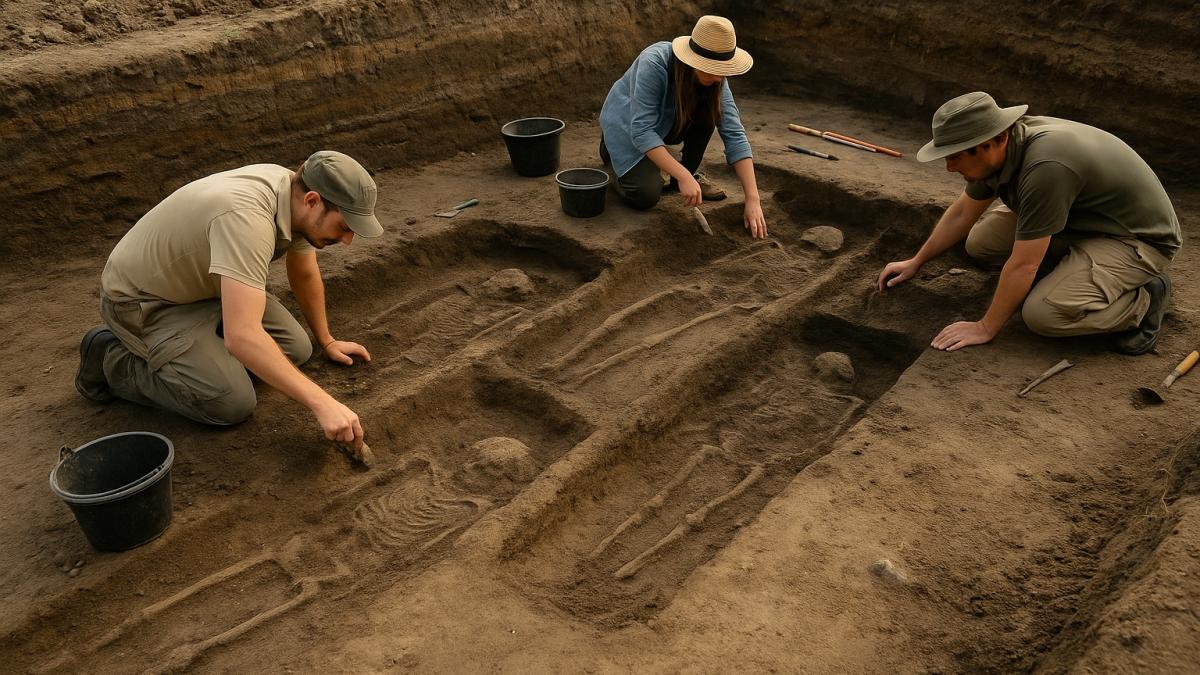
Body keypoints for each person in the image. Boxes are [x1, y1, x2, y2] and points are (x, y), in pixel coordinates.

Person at [75, 150, 383, 451]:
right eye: (344, 227)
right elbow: (242, 336)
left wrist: (327, 340)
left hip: (206, 286)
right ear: (312, 201)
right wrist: (324, 404)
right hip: (146, 301)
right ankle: (110, 360)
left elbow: (303, 272)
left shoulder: (294, 194)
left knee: (297, 349)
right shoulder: (247, 219)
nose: (347, 240)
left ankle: (204, 357)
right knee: (230, 403)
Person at [877, 92, 1180, 354]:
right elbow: (962, 214)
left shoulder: (1046, 167)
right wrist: (916, 261)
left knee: (1042, 315)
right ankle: (1072, 273)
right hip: (1081, 220)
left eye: (954, 157)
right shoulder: (998, 150)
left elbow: (1024, 265)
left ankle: (1143, 301)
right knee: (981, 244)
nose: (948, 167)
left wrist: (985, 327)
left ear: (994, 141)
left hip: (1134, 239)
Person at [598, 15, 768, 239]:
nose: (718, 77)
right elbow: (642, 130)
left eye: (722, 70)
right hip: (626, 125)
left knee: (709, 114)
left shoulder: (716, 79)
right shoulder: (654, 63)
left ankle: (681, 177)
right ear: (693, 60)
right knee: (645, 195)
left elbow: (734, 133)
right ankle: (612, 155)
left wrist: (753, 199)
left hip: (664, 126)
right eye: (711, 69)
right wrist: (683, 175)